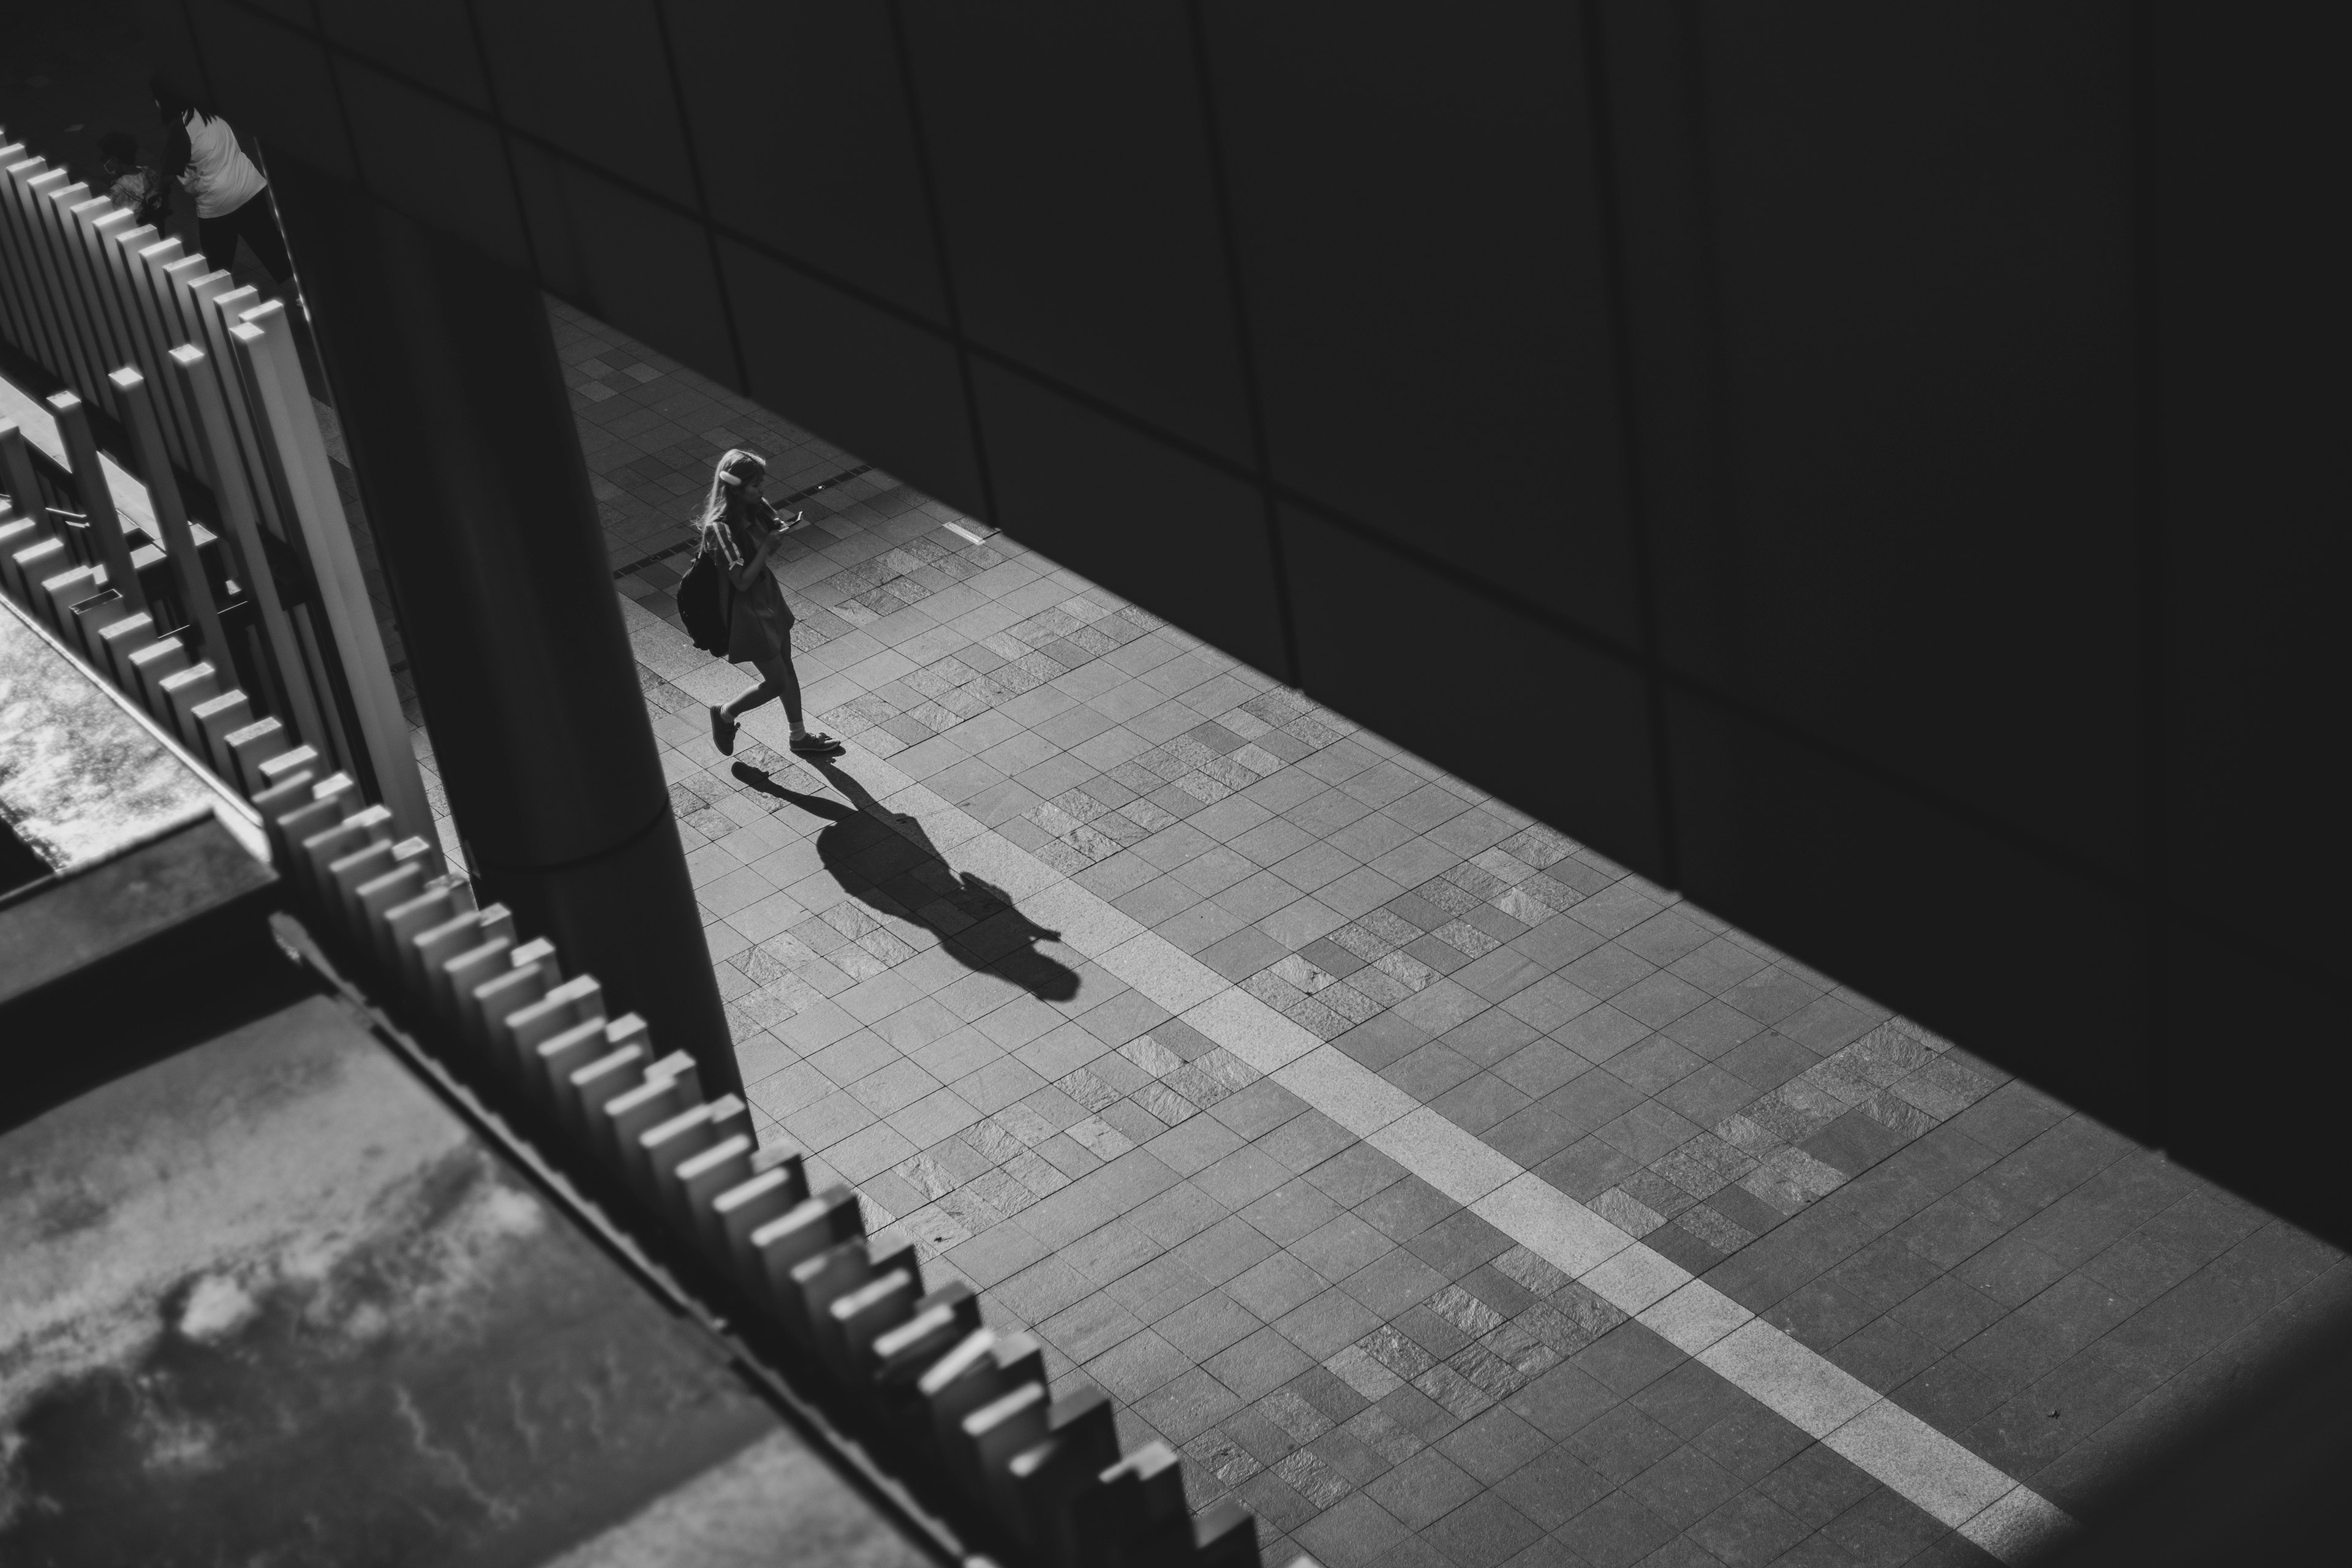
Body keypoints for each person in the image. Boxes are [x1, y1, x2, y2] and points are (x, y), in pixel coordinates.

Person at [699, 449, 844, 759]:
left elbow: (762, 555)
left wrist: (775, 536)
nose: (762, 490)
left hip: (768, 598)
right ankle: (724, 713)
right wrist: (767, 546)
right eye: (755, 485)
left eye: (762, 482)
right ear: (734, 487)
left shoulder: (756, 508)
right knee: (776, 681)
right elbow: (740, 581)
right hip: (745, 613)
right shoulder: (719, 529)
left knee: (787, 669)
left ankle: (799, 736)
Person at [152, 75, 290, 284]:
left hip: (218, 201)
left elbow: (171, 169)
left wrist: (156, 190)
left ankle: (218, 303)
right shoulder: (204, 109)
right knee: (271, 246)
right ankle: (304, 295)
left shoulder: (180, 127)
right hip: (249, 185)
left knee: (217, 264)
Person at [97, 131, 171, 230]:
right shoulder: (149, 173)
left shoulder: (118, 191)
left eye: (103, 160)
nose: (103, 164)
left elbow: (116, 224)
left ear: (115, 160)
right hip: (158, 229)